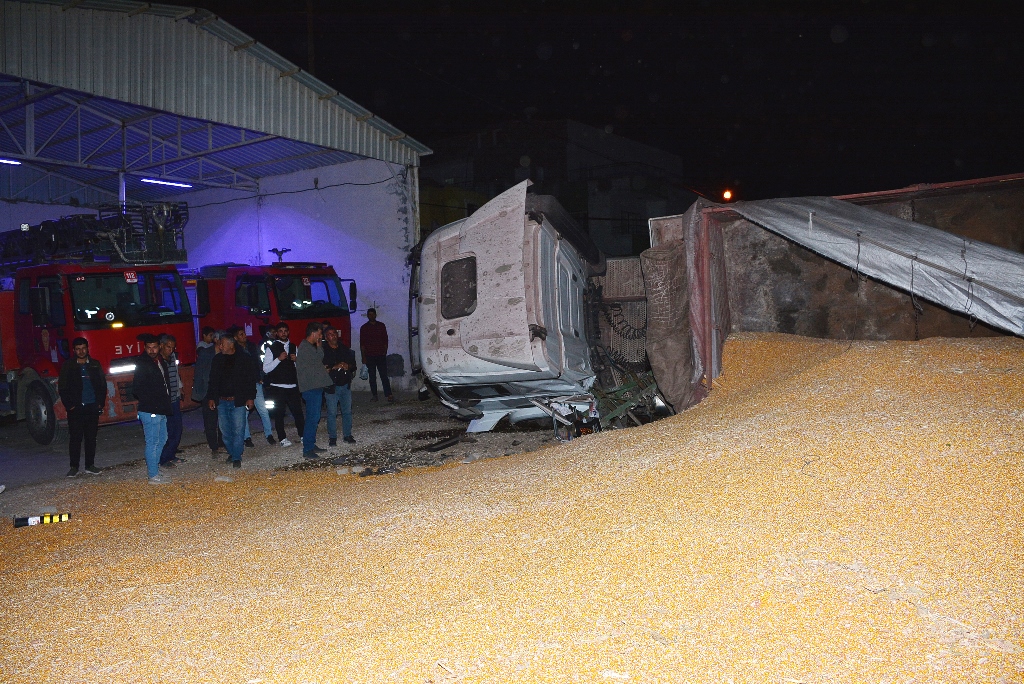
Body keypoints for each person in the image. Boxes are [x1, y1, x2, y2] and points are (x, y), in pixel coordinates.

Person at [206, 330, 257, 468]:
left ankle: (236, 457)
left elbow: (250, 380)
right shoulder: (217, 359)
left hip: (238, 400)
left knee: (238, 429)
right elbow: (213, 380)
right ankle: (232, 451)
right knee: (225, 431)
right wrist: (211, 397)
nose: (220, 346)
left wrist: (250, 397)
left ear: (230, 344)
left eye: (222, 344)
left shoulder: (244, 359)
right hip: (222, 401)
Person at [58, 337, 107, 477]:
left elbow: (102, 385)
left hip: (92, 406)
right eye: (78, 349)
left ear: (87, 349)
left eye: (83, 348)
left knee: (91, 437)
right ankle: (74, 467)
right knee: (75, 438)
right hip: (76, 409)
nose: (81, 351)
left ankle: (90, 465)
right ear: (74, 350)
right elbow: (62, 388)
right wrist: (70, 406)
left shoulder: (95, 365)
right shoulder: (68, 366)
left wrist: (99, 403)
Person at [132, 333, 173, 485]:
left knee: (162, 439)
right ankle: (153, 475)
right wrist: (152, 403)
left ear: (159, 347)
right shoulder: (143, 363)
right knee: (153, 442)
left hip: (160, 407)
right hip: (151, 409)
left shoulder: (159, 360)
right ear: (145, 348)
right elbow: (137, 388)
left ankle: (154, 469)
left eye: (154, 347)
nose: (151, 350)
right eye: (148, 348)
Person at [231, 325, 275, 447]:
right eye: (241, 334)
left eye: (244, 333)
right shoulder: (235, 350)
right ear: (235, 338)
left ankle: (269, 434)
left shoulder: (251, 346)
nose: (244, 336)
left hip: (255, 382)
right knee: (244, 412)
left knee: (263, 410)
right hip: (243, 385)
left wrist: (260, 377)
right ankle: (246, 437)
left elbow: (257, 362)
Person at [263, 322, 303, 447]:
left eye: (285, 330)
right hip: (278, 387)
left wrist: (297, 360)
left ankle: (302, 435)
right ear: (276, 333)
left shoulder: (293, 346)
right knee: (279, 414)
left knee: (298, 413)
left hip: (292, 386)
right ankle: (282, 438)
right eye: (281, 331)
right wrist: (278, 359)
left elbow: (298, 367)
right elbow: (265, 369)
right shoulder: (271, 348)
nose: (283, 333)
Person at [296, 321, 331, 459]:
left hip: (314, 386)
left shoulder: (308, 347)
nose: (321, 336)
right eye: (320, 333)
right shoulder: (305, 347)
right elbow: (318, 359)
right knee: (312, 418)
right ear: (314, 333)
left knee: (314, 417)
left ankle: (310, 444)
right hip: (311, 388)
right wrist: (320, 346)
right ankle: (307, 449)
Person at [321, 323, 357, 446]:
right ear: (326, 337)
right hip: (331, 386)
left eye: (334, 333)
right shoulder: (323, 351)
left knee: (347, 412)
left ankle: (347, 435)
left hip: (345, 385)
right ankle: (332, 437)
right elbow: (321, 368)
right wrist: (334, 367)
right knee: (332, 413)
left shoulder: (344, 348)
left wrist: (348, 366)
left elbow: (353, 364)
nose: (333, 336)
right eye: (330, 335)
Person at [192, 326, 223, 457]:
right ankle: (214, 447)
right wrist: (200, 394)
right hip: (208, 392)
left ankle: (222, 444)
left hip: (222, 392)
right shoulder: (205, 353)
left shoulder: (226, 354)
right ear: (216, 340)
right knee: (210, 421)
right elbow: (199, 374)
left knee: (223, 420)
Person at [157, 334, 186, 469]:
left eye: (173, 348)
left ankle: (171, 454)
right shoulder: (157, 360)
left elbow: (175, 373)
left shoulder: (172, 357)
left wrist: (180, 388)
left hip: (174, 397)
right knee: (167, 430)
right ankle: (163, 458)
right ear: (161, 345)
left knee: (177, 428)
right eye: (168, 347)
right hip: (164, 401)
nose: (171, 350)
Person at [359, 307, 393, 402]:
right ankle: (375, 395)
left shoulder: (381, 326)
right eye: (369, 314)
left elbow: (385, 339)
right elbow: (362, 344)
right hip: (369, 356)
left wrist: (384, 351)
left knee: (384, 376)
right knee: (372, 377)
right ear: (367, 316)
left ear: (375, 315)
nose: (371, 316)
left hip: (380, 355)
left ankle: (389, 394)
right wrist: (363, 357)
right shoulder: (364, 328)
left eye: (373, 314)